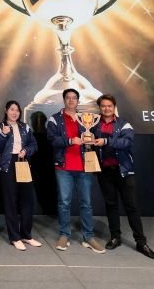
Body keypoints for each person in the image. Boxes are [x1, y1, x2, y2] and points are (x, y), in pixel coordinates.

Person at [92, 94, 154, 259]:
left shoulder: (124, 124)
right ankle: (115, 237)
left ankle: (141, 242)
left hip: (124, 171)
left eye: (109, 106)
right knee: (111, 205)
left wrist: (106, 142)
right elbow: (91, 145)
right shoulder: (94, 125)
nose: (106, 108)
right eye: (103, 106)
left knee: (131, 207)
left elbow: (126, 143)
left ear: (114, 107)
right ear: (100, 108)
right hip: (105, 172)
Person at [46, 88, 106, 254]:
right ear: (64, 100)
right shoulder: (55, 119)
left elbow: (94, 134)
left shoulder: (85, 118)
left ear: (78, 101)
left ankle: (88, 237)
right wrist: (70, 140)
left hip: (84, 166)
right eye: (68, 98)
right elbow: (52, 139)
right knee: (64, 203)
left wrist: (92, 139)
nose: (71, 100)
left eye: (74, 98)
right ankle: (64, 234)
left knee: (86, 203)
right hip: (63, 167)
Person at [0, 100, 40, 251]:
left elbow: (34, 145)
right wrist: (4, 135)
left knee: (27, 200)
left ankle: (26, 235)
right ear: (6, 111)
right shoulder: (0, 128)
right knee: (10, 201)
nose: (14, 112)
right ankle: (14, 237)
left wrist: (26, 151)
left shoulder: (25, 127)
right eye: (12, 109)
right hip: (7, 165)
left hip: (23, 162)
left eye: (17, 110)